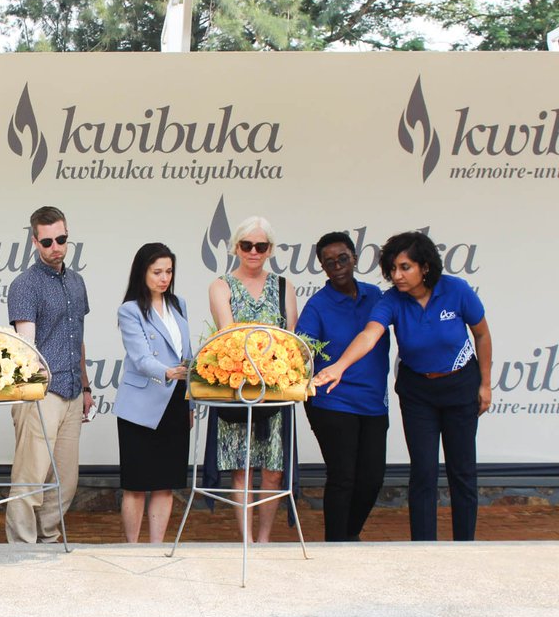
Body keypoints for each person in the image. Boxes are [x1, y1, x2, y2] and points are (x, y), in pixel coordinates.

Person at [313, 231, 492, 541]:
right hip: (418, 392)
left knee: (461, 472)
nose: (397, 276)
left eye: (405, 267)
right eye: (392, 269)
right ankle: (423, 547)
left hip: (461, 385)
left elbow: (482, 335)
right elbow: (370, 334)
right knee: (423, 472)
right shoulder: (391, 300)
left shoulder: (456, 290)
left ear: (425, 267)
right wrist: (339, 367)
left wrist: (486, 384)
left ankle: (466, 546)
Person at [207, 215, 298, 544]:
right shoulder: (221, 285)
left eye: (261, 246)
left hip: (275, 392)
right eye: (247, 245)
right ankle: (246, 540)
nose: (254, 252)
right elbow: (229, 335)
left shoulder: (285, 286)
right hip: (238, 389)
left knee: (273, 472)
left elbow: (290, 338)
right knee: (242, 470)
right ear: (236, 247)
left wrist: (274, 362)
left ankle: (264, 541)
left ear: (270, 249)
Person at [5, 205, 93, 544]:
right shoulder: (24, 285)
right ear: (34, 241)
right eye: (47, 242)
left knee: (66, 480)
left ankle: (48, 539)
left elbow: (77, 339)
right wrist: (38, 386)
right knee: (30, 477)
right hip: (40, 393)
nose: (55, 247)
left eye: (61, 239)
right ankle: (21, 546)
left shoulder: (77, 282)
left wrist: (86, 387)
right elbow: (27, 348)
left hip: (72, 390)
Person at [299, 232, 391, 542]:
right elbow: (303, 351)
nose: (337, 266)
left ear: (354, 258)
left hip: (373, 403)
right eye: (329, 262)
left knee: (372, 479)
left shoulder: (376, 296)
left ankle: (347, 537)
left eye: (342, 258)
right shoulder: (317, 305)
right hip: (332, 402)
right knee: (343, 478)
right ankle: (336, 544)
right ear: (322, 267)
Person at [113, 243, 193, 544]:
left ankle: (157, 546)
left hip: (175, 401)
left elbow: (187, 353)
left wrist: (190, 403)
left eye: (169, 271)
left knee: (165, 482)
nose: (164, 278)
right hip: (141, 406)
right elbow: (140, 357)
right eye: (157, 271)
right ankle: (132, 547)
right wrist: (169, 372)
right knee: (136, 484)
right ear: (142, 272)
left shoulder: (179, 304)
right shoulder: (130, 310)